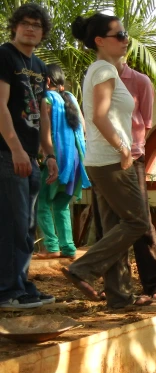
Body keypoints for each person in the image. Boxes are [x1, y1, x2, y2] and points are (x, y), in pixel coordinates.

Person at [61, 13, 152, 309]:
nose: (126, 39)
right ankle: (83, 268)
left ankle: (120, 296)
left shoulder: (102, 69)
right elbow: (99, 116)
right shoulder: (103, 70)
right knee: (137, 221)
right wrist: (124, 149)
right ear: (100, 41)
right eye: (119, 35)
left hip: (104, 160)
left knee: (117, 226)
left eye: (125, 34)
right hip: (111, 161)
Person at [0, 3, 58, 310]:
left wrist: (48, 153)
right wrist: (15, 148)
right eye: (25, 23)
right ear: (15, 26)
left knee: (26, 225)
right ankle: (7, 290)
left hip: (30, 157)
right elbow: (0, 106)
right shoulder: (4, 55)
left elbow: (43, 113)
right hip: (8, 154)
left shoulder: (39, 65)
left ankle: (20, 284)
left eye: (36, 25)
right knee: (12, 223)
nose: (31, 28)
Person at [117, 61, 156, 298]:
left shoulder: (140, 81)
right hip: (101, 159)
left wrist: (131, 149)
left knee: (141, 220)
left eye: (123, 38)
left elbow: (147, 121)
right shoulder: (96, 76)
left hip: (132, 155)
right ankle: (117, 286)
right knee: (109, 222)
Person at [35, 64, 90, 260]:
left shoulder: (46, 99)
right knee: (61, 205)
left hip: (55, 159)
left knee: (42, 203)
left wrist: (46, 156)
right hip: (75, 160)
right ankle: (68, 248)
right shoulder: (71, 99)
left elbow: (45, 131)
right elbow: (83, 128)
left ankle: (51, 246)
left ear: (47, 80)